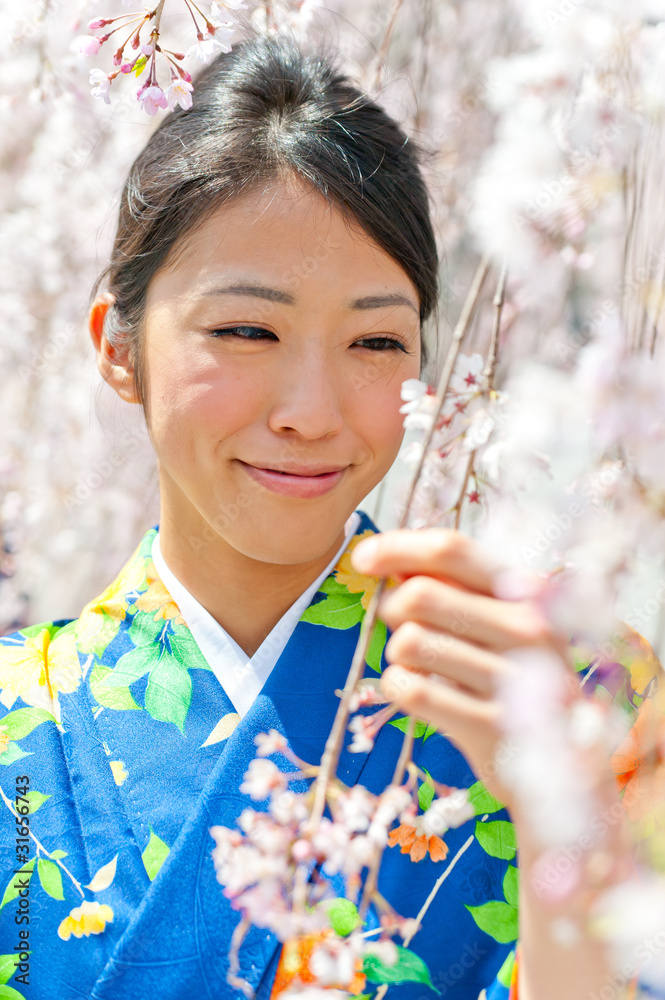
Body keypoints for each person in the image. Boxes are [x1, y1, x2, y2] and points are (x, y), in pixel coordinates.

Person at [0, 32, 659, 1000]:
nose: (311, 411)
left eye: (374, 340)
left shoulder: (585, 693)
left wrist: (569, 841)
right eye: (245, 329)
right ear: (117, 345)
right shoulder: (18, 725)